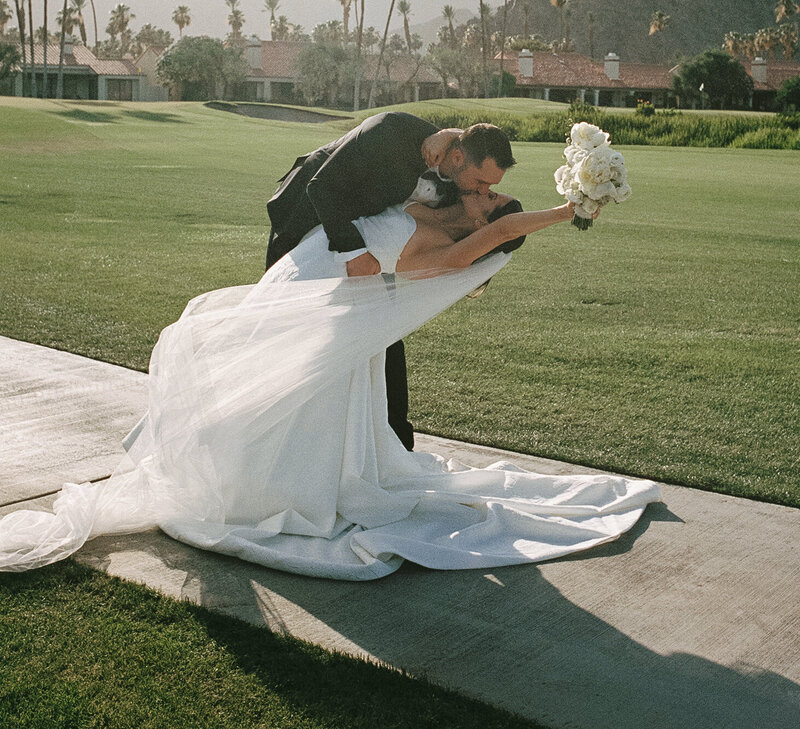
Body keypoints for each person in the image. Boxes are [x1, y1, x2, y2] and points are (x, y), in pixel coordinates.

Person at [0, 190, 660, 578]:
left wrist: (571, 207)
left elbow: (509, 228)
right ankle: (263, 475)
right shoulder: (419, 203)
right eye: (486, 194)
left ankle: (277, 485)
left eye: (490, 204)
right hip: (327, 296)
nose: (484, 198)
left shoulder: (446, 249)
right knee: (284, 396)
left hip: (339, 318)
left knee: (314, 422)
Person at [265, 112, 516, 448]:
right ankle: (273, 434)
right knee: (284, 332)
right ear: (458, 158)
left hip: (371, 249)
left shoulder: (458, 178)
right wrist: (352, 254)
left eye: (490, 187)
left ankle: (394, 441)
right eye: (482, 182)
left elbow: (496, 227)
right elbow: (321, 188)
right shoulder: (389, 134)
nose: (484, 190)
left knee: (382, 339)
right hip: (309, 221)